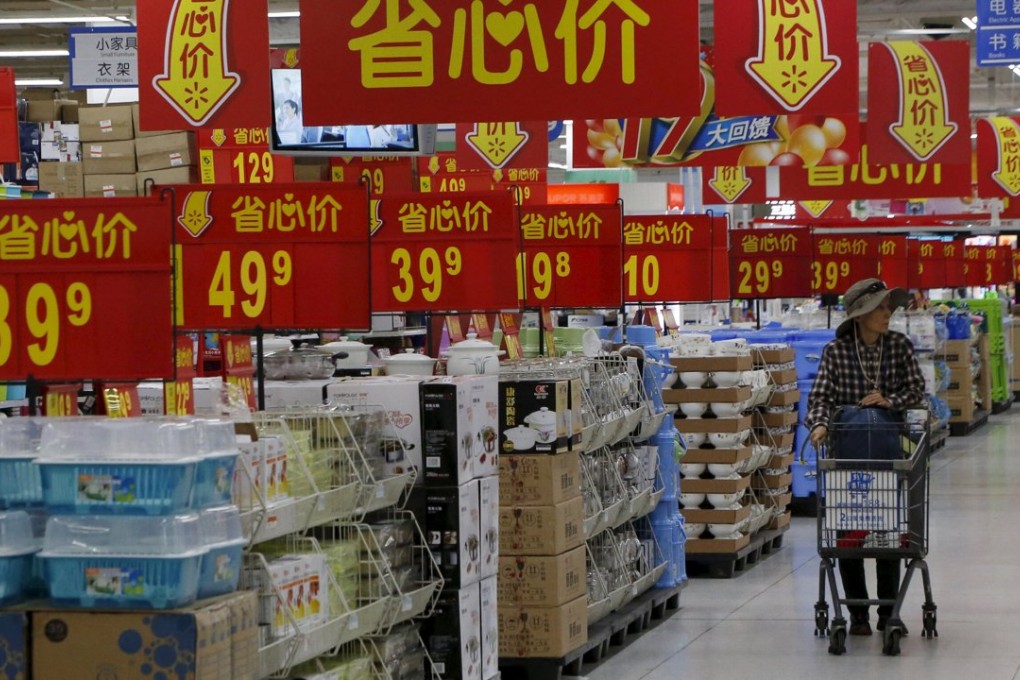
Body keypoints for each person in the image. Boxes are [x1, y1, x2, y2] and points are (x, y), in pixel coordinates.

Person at [805, 278, 926, 637]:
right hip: (848, 456)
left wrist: (891, 401)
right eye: (880, 308)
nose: (888, 314)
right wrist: (819, 426)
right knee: (848, 533)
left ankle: (889, 612)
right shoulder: (837, 352)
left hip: (890, 456)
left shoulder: (900, 347)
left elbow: (917, 388)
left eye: (889, 307)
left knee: (887, 531)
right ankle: (857, 613)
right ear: (861, 315)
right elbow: (820, 399)